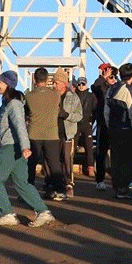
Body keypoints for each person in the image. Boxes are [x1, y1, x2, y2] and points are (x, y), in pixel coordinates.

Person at [0, 71, 54, 227]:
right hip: (16, 148)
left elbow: (20, 126)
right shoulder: (7, 103)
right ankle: (43, 212)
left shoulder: (14, 104)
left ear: (7, 84)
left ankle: (7, 214)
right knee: (22, 183)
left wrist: (26, 147)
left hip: (11, 147)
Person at [25, 67, 65, 200]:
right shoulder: (56, 95)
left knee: (31, 164)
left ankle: (27, 191)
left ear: (34, 79)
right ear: (47, 79)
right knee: (54, 164)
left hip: (34, 134)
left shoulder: (29, 96)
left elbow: (26, 113)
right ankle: (60, 190)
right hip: (51, 134)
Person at [105, 63, 132, 198]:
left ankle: (117, 186)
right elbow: (131, 111)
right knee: (127, 160)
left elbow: (106, 111)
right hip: (126, 129)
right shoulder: (130, 90)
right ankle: (123, 188)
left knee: (116, 158)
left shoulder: (111, 89)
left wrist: (109, 126)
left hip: (113, 128)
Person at [54, 69, 83, 199]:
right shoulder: (51, 96)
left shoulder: (73, 97)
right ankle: (56, 184)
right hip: (53, 132)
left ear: (64, 83)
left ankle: (69, 184)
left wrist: (66, 115)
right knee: (54, 159)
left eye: (57, 82)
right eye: (54, 82)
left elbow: (79, 116)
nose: (54, 85)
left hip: (68, 132)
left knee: (67, 159)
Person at [93, 63, 116, 190]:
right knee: (101, 153)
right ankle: (100, 180)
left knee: (117, 153)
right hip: (103, 124)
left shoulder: (118, 87)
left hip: (116, 124)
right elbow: (96, 86)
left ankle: (118, 179)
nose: (110, 77)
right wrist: (103, 78)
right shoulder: (100, 86)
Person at [74, 78, 96, 177]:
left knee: (89, 146)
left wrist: (91, 121)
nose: (81, 86)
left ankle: (90, 167)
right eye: (79, 84)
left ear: (86, 84)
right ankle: (69, 166)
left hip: (87, 123)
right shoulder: (74, 96)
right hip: (75, 124)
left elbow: (95, 110)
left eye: (83, 84)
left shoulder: (91, 96)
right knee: (72, 146)